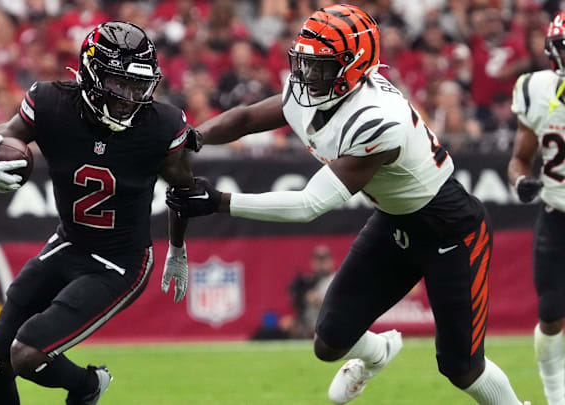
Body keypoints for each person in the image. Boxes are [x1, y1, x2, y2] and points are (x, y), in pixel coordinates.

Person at [167, 5, 529, 405]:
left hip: (450, 231)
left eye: (319, 66)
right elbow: (249, 118)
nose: (305, 75)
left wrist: (218, 202)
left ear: (353, 67)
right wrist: (193, 138)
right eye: (304, 62)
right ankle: (377, 355)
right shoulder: (318, 91)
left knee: (461, 367)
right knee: (329, 341)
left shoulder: (377, 119)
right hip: (396, 223)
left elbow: (309, 205)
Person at [0, 22, 194, 405]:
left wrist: (177, 248)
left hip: (120, 262)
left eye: (138, 86)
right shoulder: (51, 103)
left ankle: (87, 385)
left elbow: (183, 187)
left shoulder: (161, 125)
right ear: (91, 74)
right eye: (119, 84)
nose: (129, 98)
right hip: (69, 243)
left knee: (26, 355)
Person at [509, 12, 565, 405]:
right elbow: (518, 159)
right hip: (556, 215)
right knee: (550, 313)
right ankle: (556, 397)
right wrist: (520, 181)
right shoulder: (536, 90)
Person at [289, 245, 335, 339]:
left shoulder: (336, 281)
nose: (321, 264)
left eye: (324, 260)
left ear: (331, 262)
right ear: (312, 262)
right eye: (318, 260)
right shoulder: (306, 281)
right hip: (307, 330)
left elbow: (340, 309)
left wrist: (320, 302)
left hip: (327, 331)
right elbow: (297, 304)